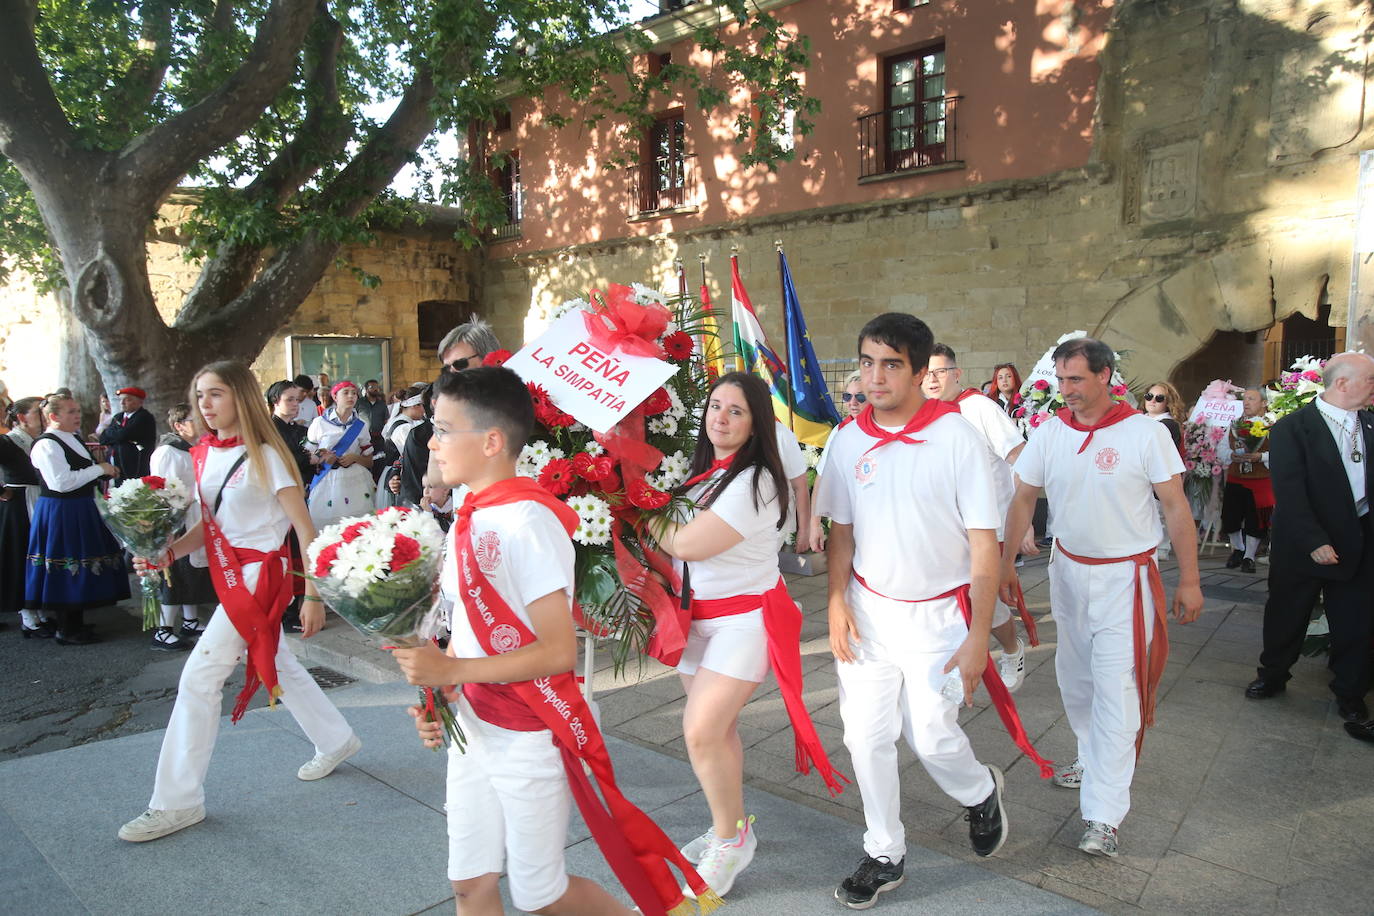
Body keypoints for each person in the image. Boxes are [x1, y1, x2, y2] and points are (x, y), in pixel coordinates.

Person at [391, 366, 712, 916]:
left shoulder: (526, 522)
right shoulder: (470, 513)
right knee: (470, 883)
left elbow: (557, 650)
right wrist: (440, 689)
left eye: (444, 429)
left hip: (529, 729)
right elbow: (469, 634)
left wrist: (452, 673)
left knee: (542, 896)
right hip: (475, 723)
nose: (432, 441)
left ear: (492, 441)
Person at [119, 360, 360, 844]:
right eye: (200, 396)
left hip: (261, 577)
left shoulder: (267, 454)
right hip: (230, 575)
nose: (206, 405)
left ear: (241, 397)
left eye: (216, 394)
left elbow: (305, 529)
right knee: (277, 662)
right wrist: (166, 551)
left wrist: (312, 594)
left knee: (200, 677)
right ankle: (336, 738)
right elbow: (208, 529)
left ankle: (176, 801)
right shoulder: (203, 453)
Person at [814, 313, 1009, 910]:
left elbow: (984, 546)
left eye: (891, 364)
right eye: (867, 362)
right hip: (869, 613)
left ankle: (979, 792)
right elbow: (841, 531)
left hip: (940, 619)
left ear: (922, 373)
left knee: (929, 735)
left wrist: (980, 635)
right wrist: (836, 603)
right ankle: (884, 852)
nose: (874, 376)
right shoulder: (848, 440)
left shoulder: (957, 440)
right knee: (864, 737)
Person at [999, 336, 1202, 858]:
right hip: (1068, 571)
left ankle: (1104, 815)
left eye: (1076, 380)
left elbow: (1176, 507)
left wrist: (1191, 579)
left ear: (1106, 376)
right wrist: (1005, 564)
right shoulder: (1049, 433)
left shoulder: (1144, 433)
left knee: (1117, 686)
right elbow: (1023, 497)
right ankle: (1092, 756)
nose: (1065, 390)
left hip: (1125, 579)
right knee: (1077, 676)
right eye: (1060, 380)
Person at [648, 372, 846, 898]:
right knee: (720, 732)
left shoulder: (757, 479)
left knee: (700, 731)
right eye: (716, 406)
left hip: (744, 621)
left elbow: (688, 543)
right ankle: (731, 827)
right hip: (698, 622)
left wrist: (647, 516)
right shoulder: (702, 473)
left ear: (757, 422)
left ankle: (728, 842)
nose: (722, 417)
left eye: (737, 410)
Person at [1244, 352, 1374, 724]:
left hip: (1360, 538)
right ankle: (1272, 675)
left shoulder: (1369, 424)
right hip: (1304, 541)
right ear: (1343, 383)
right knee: (1288, 612)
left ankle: (1350, 692)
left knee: (1356, 619)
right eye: (1371, 380)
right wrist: (1314, 540)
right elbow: (1290, 490)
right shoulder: (1292, 428)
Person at [923, 344, 1034, 693]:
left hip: (990, 526)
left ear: (956, 374)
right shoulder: (923, 413)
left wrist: (1025, 519)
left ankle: (1012, 650)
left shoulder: (980, 408)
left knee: (987, 599)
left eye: (940, 371)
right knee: (949, 598)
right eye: (926, 373)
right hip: (945, 529)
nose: (932, 379)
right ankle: (954, 666)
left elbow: (1022, 459)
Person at [26, 395, 127, 644]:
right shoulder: (46, 444)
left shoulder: (71, 438)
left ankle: (75, 622)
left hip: (80, 507)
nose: (78, 416)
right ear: (53, 416)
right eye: (71, 412)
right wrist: (100, 469)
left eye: (78, 411)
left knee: (81, 560)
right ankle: (66, 629)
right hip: (61, 510)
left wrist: (103, 471)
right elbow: (61, 483)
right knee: (66, 561)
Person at [399, 318, 501, 508]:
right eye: (447, 367)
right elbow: (438, 477)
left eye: (460, 364)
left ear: (489, 359)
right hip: (468, 511)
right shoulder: (452, 411)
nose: (452, 372)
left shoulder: (518, 401)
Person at [147, 404, 216, 651]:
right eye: (193, 420)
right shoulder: (168, 452)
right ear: (179, 426)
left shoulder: (194, 448)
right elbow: (165, 490)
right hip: (177, 521)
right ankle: (163, 629)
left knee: (191, 572)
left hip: (195, 516)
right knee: (174, 575)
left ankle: (190, 621)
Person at [1, 397, 46, 635]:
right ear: (21, 418)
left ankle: (38, 609)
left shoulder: (42, 441)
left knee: (38, 554)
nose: (43, 416)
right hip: (19, 504)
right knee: (22, 555)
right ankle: (27, 616)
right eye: (38, 412)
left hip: (39, 499)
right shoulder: (8, 442)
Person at [305, 380, 375, 526]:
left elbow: (369, 461)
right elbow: (307, 456)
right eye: (346, 393)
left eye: (354, 393)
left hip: (356, 480)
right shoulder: (319, 423)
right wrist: (323, 457)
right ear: (335, 397)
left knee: (358, 523)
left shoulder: (360, 425)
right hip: (327, 479)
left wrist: (355, 458)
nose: (351, 396)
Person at [805, 371, 862, 553]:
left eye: (860, 397)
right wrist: (815, 525)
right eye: (847, 396)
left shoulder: (892, 429)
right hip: (848, 521)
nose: (852, 403)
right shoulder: (840, 431)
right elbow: (822, 479)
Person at [1221, 387, 1272, 573]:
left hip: (1260, 480)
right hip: (1236, 477)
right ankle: (1238, 549)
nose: (1246, 402)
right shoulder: (1234, 424)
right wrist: (1231, 455)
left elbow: (1281, 452)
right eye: (1245, 399)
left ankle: (1249, 557)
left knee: (1256, 519)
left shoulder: (1272, 424)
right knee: (1230, 516)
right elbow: (1223, 448)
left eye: (1251, 398)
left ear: (1264, 403)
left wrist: (1261, 457)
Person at [377, 385, 426, 510]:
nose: (424, 411)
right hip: (396, 476)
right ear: (415, 406)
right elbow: (411, 456)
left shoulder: (405, 423)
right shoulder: (404, 428)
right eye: (422, 406)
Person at [99, 385, 157, 478]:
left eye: (127, 400)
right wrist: (114, 434)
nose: (122, 403)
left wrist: (112, 433)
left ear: (140, 402)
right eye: (120, 400)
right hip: (118, 465)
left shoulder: (144, 417)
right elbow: (103, 439)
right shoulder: (118, 417)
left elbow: (123, 435)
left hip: (136, 465)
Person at [267, 380, 314, 483]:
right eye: (289, 400)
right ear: (275, 401)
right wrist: (308, 459)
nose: (295, 404)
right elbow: (277, 461)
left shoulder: (301, 430)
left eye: (297, 400)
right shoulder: (268, 430)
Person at [1139, 380, 1185, 450]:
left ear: (1168, 402)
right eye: (1149, 396)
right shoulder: (1138, 419)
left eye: (1159, 398)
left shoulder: (1169, 425)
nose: (1152, 401)